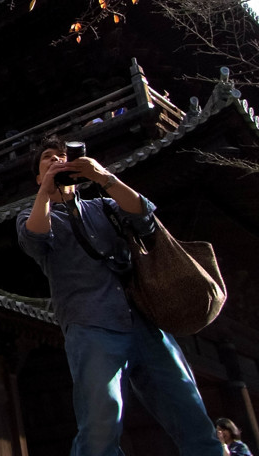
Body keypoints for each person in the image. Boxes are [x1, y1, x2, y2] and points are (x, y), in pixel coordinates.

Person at [17, 136, 224, 456]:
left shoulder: (103, 206)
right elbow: (35, 239)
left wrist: (102, 176)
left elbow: (143, 215)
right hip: (90, 323)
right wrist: (46, 190)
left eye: (63, 155)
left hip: (143, 320)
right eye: (48, 158)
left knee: (190, 411)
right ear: (36, 175)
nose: (58, 159)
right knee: (100, 426)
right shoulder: (33, 214)